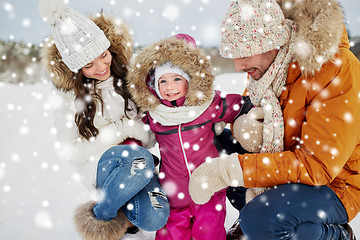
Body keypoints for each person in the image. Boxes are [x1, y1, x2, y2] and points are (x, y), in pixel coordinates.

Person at [189, 0, 360, 239]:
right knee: (217, 140)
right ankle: (260, 216)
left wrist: (229, 171)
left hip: (334, 186)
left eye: (245, 52)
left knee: (262, 220)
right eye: (234, 55)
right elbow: (253, 118)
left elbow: (317, 166)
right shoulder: (270, 70)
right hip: (291, 172)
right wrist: (241, 126)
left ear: (273, 42)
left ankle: (334, 234)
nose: (239, 66)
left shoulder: (336, 68)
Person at [39, 0, 169, 239]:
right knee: (137, 158)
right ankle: (103, 212)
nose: (101, 67)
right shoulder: (68, 99)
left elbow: (150, 137)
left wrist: (140, 131)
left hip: (141, 164)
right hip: (101, 166)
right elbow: (72, 152)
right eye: (88, 64)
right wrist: (121, 130)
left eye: (103, 55)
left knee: (155, 217)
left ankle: (125, 204)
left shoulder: (130, 82)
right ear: (76, 68)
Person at [126, 34, 255, 240]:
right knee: (171, 236)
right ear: (154, 86)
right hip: (174, 194)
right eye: (163, 81)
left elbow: (238, 105)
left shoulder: (206, 105)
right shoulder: (155, 116)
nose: (170, 87)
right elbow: (137, 136)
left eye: (177, 79)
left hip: (209, 189)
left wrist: (255, 112)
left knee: (209, 233)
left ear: (190, 81)